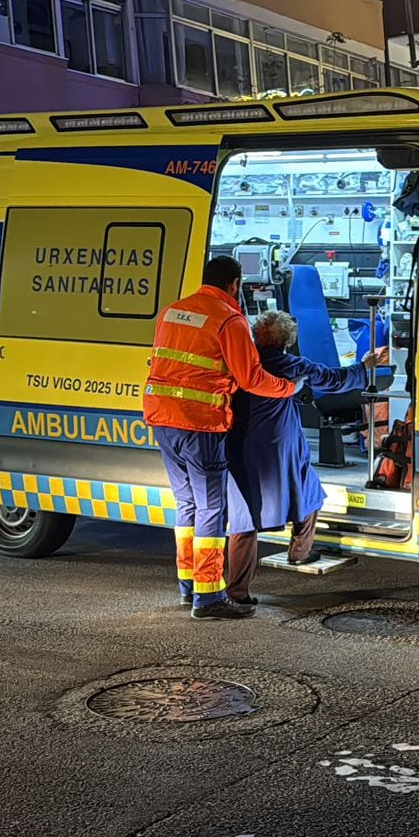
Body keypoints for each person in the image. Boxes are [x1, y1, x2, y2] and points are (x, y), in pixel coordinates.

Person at [143, 256, 299, 620]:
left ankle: (188, 585)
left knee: (186, 506)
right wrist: (289, 387)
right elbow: (252, 378)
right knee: (212, 508)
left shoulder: (172, 311)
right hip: (200, 423)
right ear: (234, 284)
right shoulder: (229, 319)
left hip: (163, 419)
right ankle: (209, 596)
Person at [222, 312, 386, 604]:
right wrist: (364, 365)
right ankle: (300, 551)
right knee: (308, 492)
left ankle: (237, 591)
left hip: (240, 445)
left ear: (256, 336)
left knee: (244, 520)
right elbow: (334, 380)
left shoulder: (241, 363)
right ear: (288, 340)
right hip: (281, 445)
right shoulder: (293, 365)